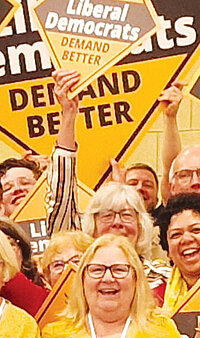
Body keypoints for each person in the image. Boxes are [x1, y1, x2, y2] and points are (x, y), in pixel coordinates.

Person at [46, 70, 170, 290]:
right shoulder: (78, 275)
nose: (117, 222)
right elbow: (61, 197)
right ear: (91, 224)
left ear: (142, 225)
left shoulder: (164, 279)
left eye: (126, 214)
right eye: (107, 215)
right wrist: (68, 115)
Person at [42, 234, 198, 338]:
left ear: (135, 278)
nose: (108, 278)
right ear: (82, 279)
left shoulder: (161, 328)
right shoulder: (53, 335)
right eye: (97, 270)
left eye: (119, 269)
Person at [157, 194, 200, 314]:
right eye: (176, 234)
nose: (186, 239)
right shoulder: (154, 296)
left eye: (196, 230)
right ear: (168, 251)